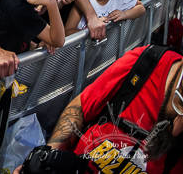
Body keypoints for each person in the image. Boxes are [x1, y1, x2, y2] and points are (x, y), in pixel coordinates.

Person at [24, 45, 183, 174]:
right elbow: (80, 108)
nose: (176, 129)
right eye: (180, 106)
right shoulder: (147, 63)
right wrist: (46, 159)